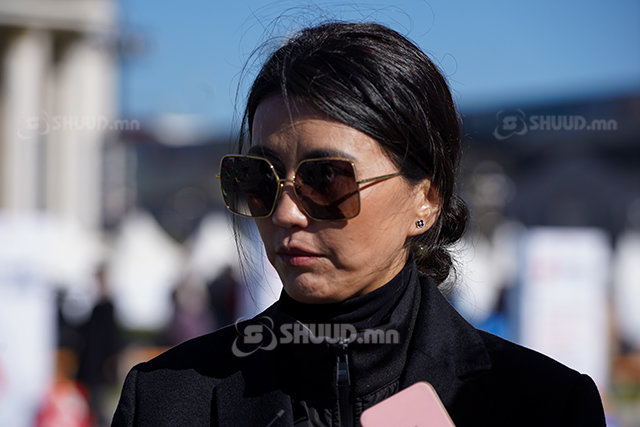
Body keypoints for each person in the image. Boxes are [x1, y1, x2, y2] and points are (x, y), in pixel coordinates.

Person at [112, 22, 606, 426]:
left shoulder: (545, 405)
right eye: (259, 178)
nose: (285, 213)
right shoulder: (164, 400)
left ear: (426, 200)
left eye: (325, 179)